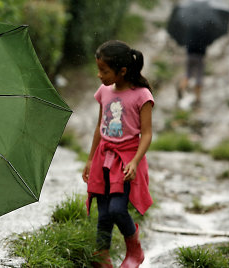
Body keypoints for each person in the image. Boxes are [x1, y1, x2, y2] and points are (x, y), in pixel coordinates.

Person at [82, 40, 153, 268]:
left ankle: (135, 249)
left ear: (122, 71)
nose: (99, 75)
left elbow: (147, 134)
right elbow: (99, 127)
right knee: (103, 211)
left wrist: (134, 162)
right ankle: (102, 254)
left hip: (125, 160)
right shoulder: (104, 91)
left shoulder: (141, 95)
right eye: (99, 69)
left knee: (117, 209)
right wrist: (91, 158)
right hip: (103, 157)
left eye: (104, 70)